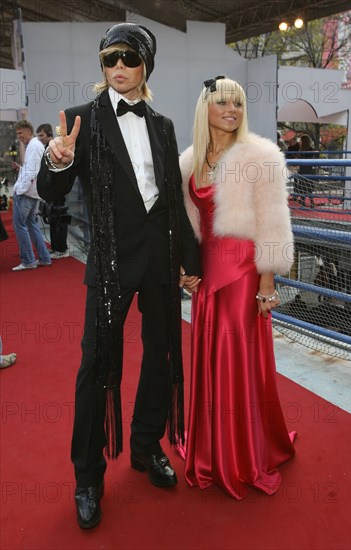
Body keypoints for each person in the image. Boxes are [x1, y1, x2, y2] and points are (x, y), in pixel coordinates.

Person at [37, 23, 201, 529]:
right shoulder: (81, 121)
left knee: (161, 355)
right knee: (97, 368)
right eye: (110, 59)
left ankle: (146, 446)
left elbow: (172, 199)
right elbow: (52, 191)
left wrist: (191, 262)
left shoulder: (165, 125)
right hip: (109, 264)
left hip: (159, 258)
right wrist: (58, 160)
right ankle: (87, 478)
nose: (119, 68)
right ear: (102, 67)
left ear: (145, 65)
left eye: (130, 58)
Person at [179, 76, 296, 500]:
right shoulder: (190, 160)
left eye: (239, 104)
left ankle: (243, 454)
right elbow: (185, 225)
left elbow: (273, 221)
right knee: (211, 357)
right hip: (206, 276)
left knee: (237, 356)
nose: (232, 110)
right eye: (223, 102)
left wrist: (267, 281)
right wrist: (183, 267)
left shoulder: (260, 155)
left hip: (244, 272)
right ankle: (213, 446)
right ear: (204, 107)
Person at [11, 120, 52, 271]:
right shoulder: (34, 146)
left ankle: (28, 260)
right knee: (32, 226)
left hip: (26, 193)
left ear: (28, 130)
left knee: (20, 226)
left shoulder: (34, 146)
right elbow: (31, 170)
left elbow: (32, 172)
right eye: (17, 134)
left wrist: (19, 189)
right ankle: (44, 258)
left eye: (20, 133)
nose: (19, 137)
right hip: (31, 192)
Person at [37, 124, 70, 259]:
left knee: (60, 219)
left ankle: (62, 249)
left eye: (42, 135)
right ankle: (55, 247)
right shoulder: (46, 148)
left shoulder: (56, 147)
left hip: (59, 191)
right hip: (51, 190)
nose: (40, 138)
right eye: (38, 135)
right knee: (52, 219)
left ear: (49, 134)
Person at [295, 134, 316, 208]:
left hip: (305, 170)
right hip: (306, 170)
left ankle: (306, 201)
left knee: (304, 186)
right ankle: (308, 202)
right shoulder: (306, 150)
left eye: (300, 140)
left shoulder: (306, 150)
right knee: (306, 187)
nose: (299, 142)